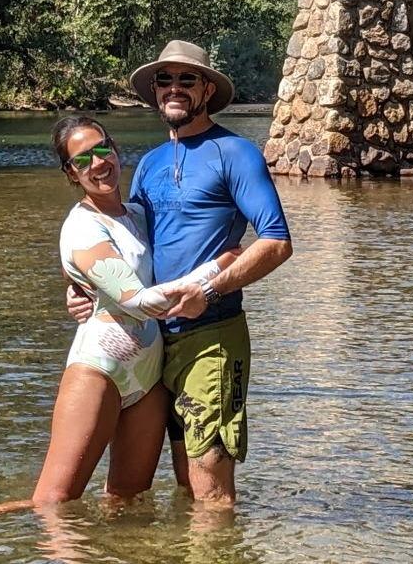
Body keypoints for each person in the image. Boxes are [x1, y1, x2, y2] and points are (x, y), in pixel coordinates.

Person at [68, 39, 293, 507]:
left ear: (207, 89)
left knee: (211, 488)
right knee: (181, 485)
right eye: (164, 80)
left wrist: (209, 290)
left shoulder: (235, 153)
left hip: (211, 336)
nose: (173, 88)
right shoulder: (148, 164)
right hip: (151, 344)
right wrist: (83, 288)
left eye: (186, 79)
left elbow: (276, 241)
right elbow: (129, 247)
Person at [0, 114, 242, 516]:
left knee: (128, 503)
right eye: (82, 159)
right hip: (100, 370)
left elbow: (156, 260)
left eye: (103, 149)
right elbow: (136, 300)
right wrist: (219, 267)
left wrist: (74, 288)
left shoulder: (140, 214)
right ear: (71, 173)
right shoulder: (81, 227)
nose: (98, 163)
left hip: (148, 378)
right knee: (56, 502)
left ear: (116, 150)